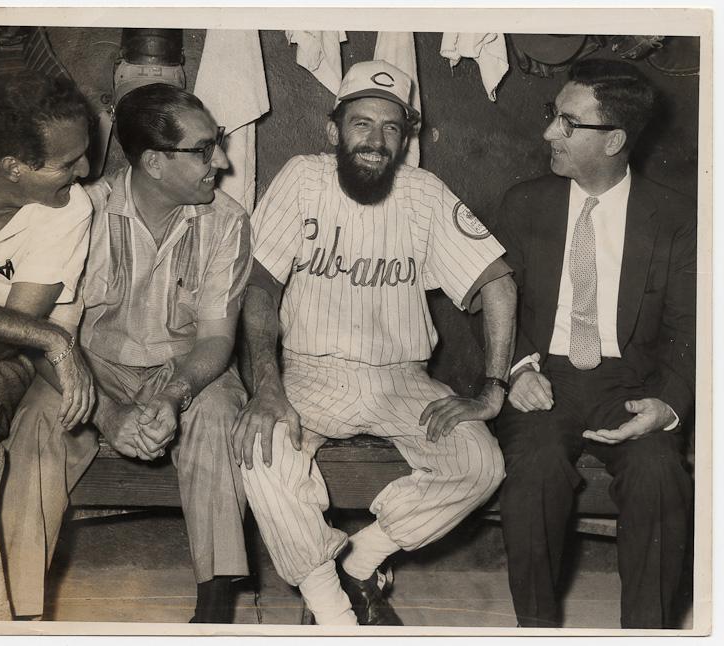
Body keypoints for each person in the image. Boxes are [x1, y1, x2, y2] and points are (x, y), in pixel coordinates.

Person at [232, 60, 516, 626]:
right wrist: (267, 387)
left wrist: (493, 388)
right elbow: (258, 289)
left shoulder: (423, 191)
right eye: (361, 124)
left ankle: (361, 559)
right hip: (310, 374)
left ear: (406, 136)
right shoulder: (301, 177)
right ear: (332, 129)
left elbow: (498, 282)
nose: (376, 141)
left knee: (479, 463)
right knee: (261, 454)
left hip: (400, 378)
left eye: (391, 128)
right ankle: (329, 604)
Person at [493, 58, 695, 629]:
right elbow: (494, 307)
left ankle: (648, 635)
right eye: (552, 116)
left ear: (614, 141)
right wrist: (516, 368)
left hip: (634, 383)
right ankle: (536, 631)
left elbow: (690, 329)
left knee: (659, 474)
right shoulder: (524, 203)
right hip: (545, 371)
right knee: (533, 470)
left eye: (566, 122)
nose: (547, 133)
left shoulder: (677, 217)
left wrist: (668, 405)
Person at [73, 83, 252, 623]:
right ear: (153, 161)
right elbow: (57, 336)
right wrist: (106, 411)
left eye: (215, 143)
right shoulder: (85, 213)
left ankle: (216, 605)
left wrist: (175, 394)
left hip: (185, 366)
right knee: (42, 414)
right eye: (203, 149)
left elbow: (217, 340)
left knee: (220, 410)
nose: (219, 161)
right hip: (94, 366)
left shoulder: (226, 221)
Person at [0, 70, 97, 620]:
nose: (85, 172)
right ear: (13, 167)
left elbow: (6, 333)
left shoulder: (71, 208)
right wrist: (49, 337)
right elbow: (26, 328)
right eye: (68, 163)